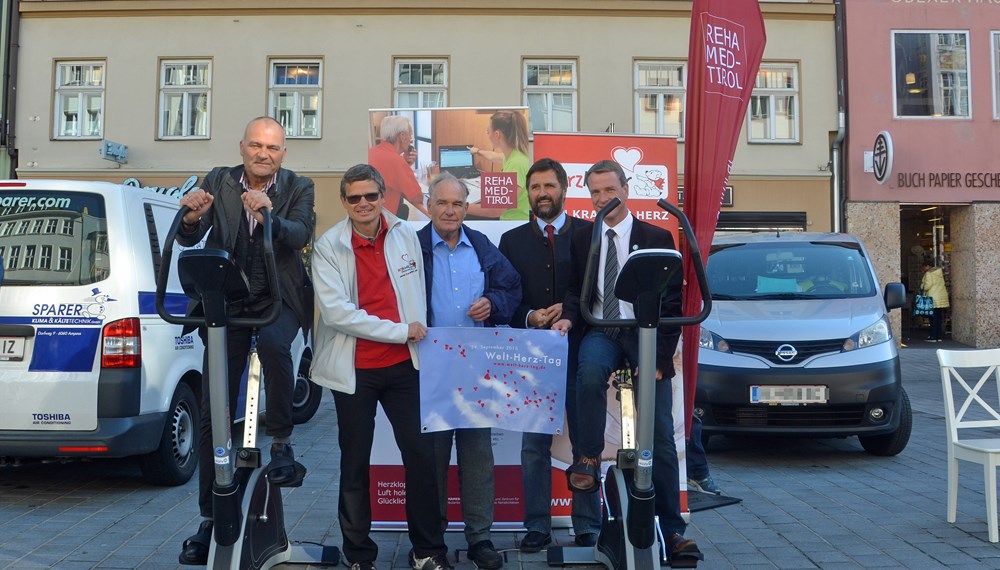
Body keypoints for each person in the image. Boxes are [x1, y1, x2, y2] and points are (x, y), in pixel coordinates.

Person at [175, 116, 315, 566]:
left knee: (275, 345)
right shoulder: (218, 180)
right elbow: (189, 233)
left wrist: (269, 214)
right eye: (256, 145)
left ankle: (281, 440)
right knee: (216, 396)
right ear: (242, 148)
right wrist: (192, 217)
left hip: (279, 296)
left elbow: (300, 233)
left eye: (272, 148)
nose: (263, 154)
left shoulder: (297, 186)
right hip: (230, 300)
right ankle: (209, 516)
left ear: (283, 154)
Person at [551, 160, 701, 563]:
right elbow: (573, 289)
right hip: (601, 326)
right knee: (590, 371)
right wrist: (568, 315)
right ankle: (587, 455)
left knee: (660, 437)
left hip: (644, 332)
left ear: (625, 189)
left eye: (609, 190)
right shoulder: (584, 237)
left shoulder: (656, 235)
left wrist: (659, 357)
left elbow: (672, 302)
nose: (602, 199)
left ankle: (672, 531)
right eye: (595, 192)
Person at [311, 164, 450, 570]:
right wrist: (400, 331)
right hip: (354, 370)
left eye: (371, 195)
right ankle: (359, 555)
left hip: (407, 367)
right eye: (354, 197)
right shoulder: (328, 246)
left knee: (421, 460)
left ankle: (427, 551)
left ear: (383, 195)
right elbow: (338, 315)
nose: (363, 204)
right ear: (344, 202)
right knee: (354, 462)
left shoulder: (407, 234)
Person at [417, 172, 521, 569]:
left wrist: (493, 302)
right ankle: (433, 541)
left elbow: (511, 288)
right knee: (432, 459)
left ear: (466, 208)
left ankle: (480, 539)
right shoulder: (412, 247)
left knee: (478, 456)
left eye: (457, 204)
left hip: (475, 367)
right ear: (428, 205)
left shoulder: (482, 245)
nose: (449, 210)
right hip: (428, 367)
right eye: (442, 202)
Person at [498, 158, 602, 551]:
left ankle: (588, 525)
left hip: (581, 355)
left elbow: (601, 294)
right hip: (533, 359)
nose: (542, 193)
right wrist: (529, 315)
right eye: (535, 187)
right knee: (533, 447)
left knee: (585, 443)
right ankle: (537, 526)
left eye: (550, 186)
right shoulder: (512, 241)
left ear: (563, 190)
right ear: (528, 192)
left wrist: (571, 312)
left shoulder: (591, 234)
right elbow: (506, 296)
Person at [467, 110, 531, 221]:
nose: (488, 135)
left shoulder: (515, 163)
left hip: (512, 224)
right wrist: (476, 151)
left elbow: (497, 209)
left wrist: (461, 206)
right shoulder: (513, 156)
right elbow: (494, 156)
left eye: (488, 132)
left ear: (497, 135)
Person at [369, 115, 429, 220]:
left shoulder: (372, 152)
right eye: (410, 137)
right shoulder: (396, 161)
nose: (411, 141)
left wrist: (405, 163)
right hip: (383, 221)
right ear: (402, 136)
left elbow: (389, 176)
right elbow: (417, 197)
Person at [921, 262, 950, 342]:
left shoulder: (929, 274)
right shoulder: (939, 273)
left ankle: (933, 336)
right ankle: (938, 336)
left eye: (924, 267)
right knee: (938, 318)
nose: (923, 269)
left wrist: (922, 285)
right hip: (940, 297)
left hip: (932, 298)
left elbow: (927, 286)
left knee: (932, 318)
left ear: (927, 265)